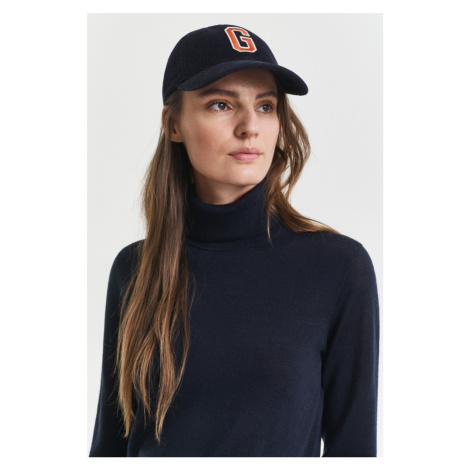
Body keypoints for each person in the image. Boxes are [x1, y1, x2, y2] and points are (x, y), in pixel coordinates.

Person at [89, 24, 380, 457]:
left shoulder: (338, 268)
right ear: (173, 124)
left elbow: (355, 451)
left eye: (265, 106)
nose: (250, 127)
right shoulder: (135, 268)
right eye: (221, 104)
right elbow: (110, 446)